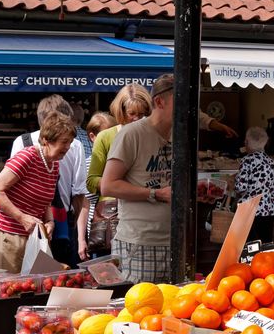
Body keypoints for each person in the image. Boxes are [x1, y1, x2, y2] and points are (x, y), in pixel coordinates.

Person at [100, 73, 176, 283]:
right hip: (139, 244)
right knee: (140, 310)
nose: (188, 109)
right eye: (180, 102)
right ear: (159, 101)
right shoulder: (132, 134)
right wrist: (155, 193)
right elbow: (108, 186)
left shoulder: (181, 134)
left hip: (176, 240)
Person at [0, 112, 76, 272]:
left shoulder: (53, 164)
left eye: (70, 142)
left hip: (33, 237)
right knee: (10, 289)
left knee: (33, 288)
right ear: (46, 140)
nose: (68, 147)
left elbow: (46, 200)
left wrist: (50, 222)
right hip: (8, 235)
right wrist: (22, 218)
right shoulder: (27, 157)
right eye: (64, 142)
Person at [10, 95, 89, 267]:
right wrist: (74, 229)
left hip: (27, 222)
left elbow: (13, 187)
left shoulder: (21, 142)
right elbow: (79, 194)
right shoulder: (75, 145)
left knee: (29, 280)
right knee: (62, 279)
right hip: (57, 223)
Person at [87, 84, 152, 196]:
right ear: (121, 111)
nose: (136, 119)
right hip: (113, 207)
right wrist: (117, 185)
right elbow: (91, 181)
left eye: (141, 114)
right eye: (132, 114)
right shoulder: (105, 137)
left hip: (145, 204)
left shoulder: (152, 136)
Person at [234, 127, 274, 242]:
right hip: (269, 210)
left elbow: (241, 188)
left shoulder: (247, 160)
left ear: (247, 143)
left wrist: (234, 180)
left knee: (249, 246)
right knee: (265, 243)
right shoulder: (271, 161)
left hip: (250, 210)